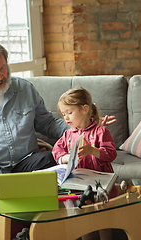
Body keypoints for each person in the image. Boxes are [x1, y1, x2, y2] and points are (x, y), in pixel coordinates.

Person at [0, 39, 116, 240]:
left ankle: (22, 229)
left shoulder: (25, 89)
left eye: (3, 68)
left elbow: (48, 124)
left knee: (52, 159)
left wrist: (86, 126)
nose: (0, 76)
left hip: (24, 162)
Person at [52, 87, 117, 240]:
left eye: (70, 112)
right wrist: (65, 158)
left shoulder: (101, 131)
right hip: (77, 186)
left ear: (85, 109)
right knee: (83, 221)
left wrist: (92, 150)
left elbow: (111, 153)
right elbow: (56, 150)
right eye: (63, 114)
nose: (66, 117)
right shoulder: (68, 134)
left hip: (99, 185)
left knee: (103, 220)